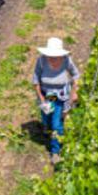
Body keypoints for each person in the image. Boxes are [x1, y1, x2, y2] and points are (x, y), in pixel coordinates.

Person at [32, 37, 79, 165]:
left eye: (55, 56)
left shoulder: (66, 61)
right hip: (47, 94)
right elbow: (35, 81)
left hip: (61, 94)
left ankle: (55, 151)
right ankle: (46, 127)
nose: (52, 58)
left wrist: (74, 92)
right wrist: (42, 99)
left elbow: (76, 75)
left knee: (56, 124)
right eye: (50, 56)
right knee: (46, 115)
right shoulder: (41, 61)